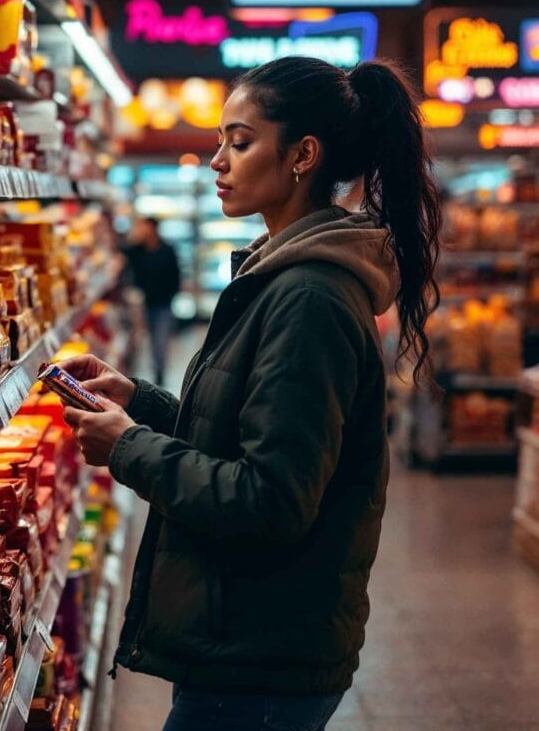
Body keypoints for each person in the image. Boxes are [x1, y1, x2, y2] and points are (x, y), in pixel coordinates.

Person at [59, 58, 441, 731]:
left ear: (302, 156)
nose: (217, 162)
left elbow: (270, 499)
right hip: (248, 637)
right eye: (220, 144)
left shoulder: (309, 298)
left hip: (260, 658)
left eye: (239, 142)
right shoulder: (283, 278)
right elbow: (249, 434)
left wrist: (129, 448)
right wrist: (141, 404)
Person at [124, 216, 180, 385]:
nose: (142, 231)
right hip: (141, 305)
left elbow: (176, 275)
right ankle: (134, 375)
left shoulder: (167, 250)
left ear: (154, 229)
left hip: (162, 304)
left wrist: (171, 295)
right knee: (138, 340)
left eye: (145, 227)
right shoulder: (136, 250)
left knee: (160, 342)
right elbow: (122, 253)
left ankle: (159, 375)